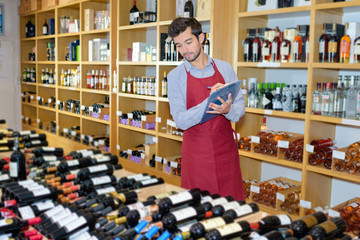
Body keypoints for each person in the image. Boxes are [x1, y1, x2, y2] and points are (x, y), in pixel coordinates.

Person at [167, 17, 246, 200]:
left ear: (201, 38)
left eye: (188, 42)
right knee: (199, 211)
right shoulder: (175, 77)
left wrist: (228, 110)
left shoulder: (225, 68)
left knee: (232, 209)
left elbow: (240, 107)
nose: (184, 50)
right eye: (178, 46)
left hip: (226, 152)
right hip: (196, 156)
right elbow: (180, 120)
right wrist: (210, 102)